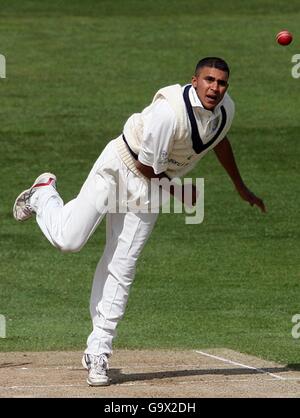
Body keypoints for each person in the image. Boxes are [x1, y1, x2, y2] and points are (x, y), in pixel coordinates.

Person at [13, 57, 266, 387]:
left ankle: (99, 352)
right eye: (209, 80)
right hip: (121, 166)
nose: (215, 88)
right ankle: (43, 194)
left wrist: (239, 185)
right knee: (69, 241)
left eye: (221, 83)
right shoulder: (168, 113)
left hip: (153, 186)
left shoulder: (225, 109)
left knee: (123, 265)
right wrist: (181, 193)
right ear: (194, 80)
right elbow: (147, 167)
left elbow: (218, 141)